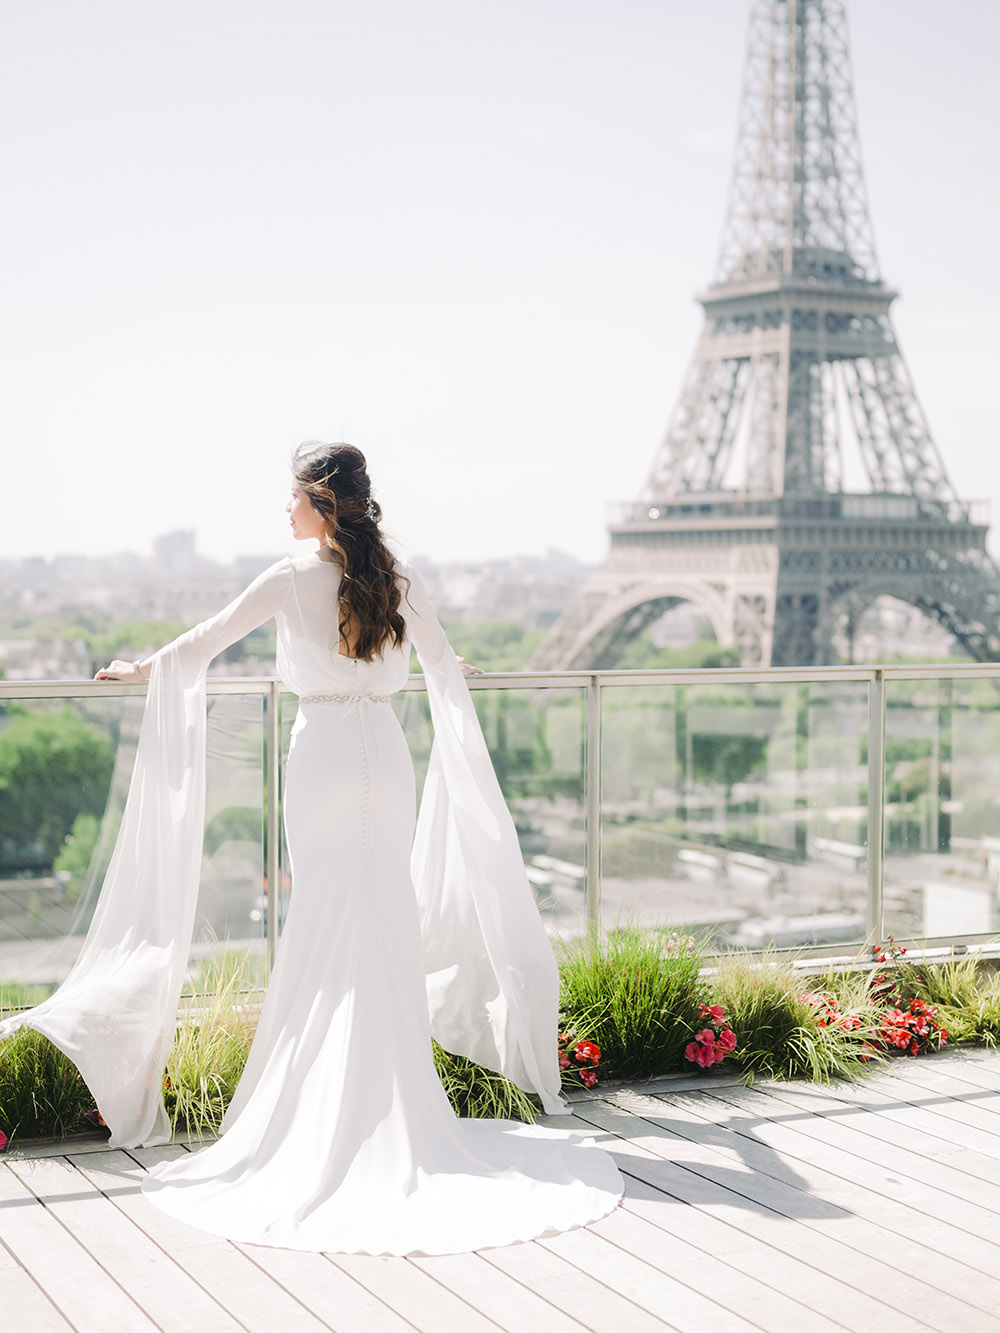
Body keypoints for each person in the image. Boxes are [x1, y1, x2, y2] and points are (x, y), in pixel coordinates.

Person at [7, 442, 622, 1255]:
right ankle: (389, 1098)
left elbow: (204, 640)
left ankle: (320, 1104)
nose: (284, 511)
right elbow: (438, 658)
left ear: (323, 506)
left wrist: (141, 666)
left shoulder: (289, 576)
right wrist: (450, 664)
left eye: (293, 498)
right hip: (384, 757)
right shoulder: (397, 578)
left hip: (323, 756)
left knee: (326, 917)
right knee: (381, 913)